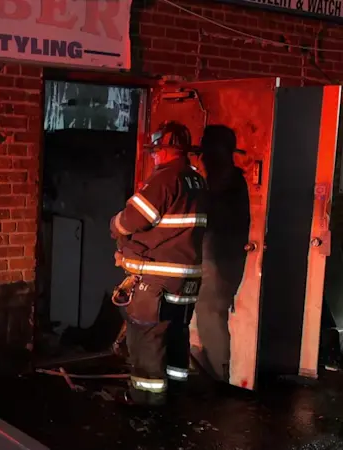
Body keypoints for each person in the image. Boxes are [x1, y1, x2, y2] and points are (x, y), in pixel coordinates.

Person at [110, 121, 208, 406]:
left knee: (146, 336)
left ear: (168, 151)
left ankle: (145, 403)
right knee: (176, 334)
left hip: (156, 279)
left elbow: (133, 219)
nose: (153, 156)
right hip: (186, 277)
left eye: (156, 151)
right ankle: (175, 396)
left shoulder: (165, 179)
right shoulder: (197, 180)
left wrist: (115, 225)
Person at [195, 125, 250, 383]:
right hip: (222, 262)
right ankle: (214, 374)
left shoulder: (226, 184)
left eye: (207, 151)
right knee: (209, 317)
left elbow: (211, 221)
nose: (203, 157)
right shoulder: (229, 181)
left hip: (218, 263)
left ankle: (217, 377)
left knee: (211, 317)